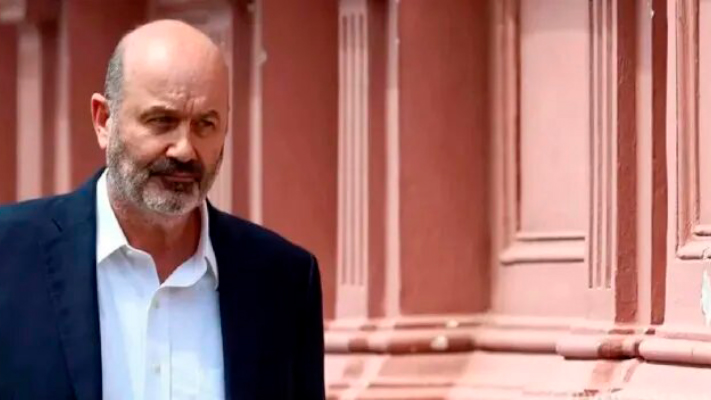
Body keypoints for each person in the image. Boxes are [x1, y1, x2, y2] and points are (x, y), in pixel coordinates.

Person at [0, 19, 325, 400]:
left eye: (205, 124)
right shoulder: (10, 257)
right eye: (162, 121)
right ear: (104, 120)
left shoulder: (283, 281)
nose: (184, 149)